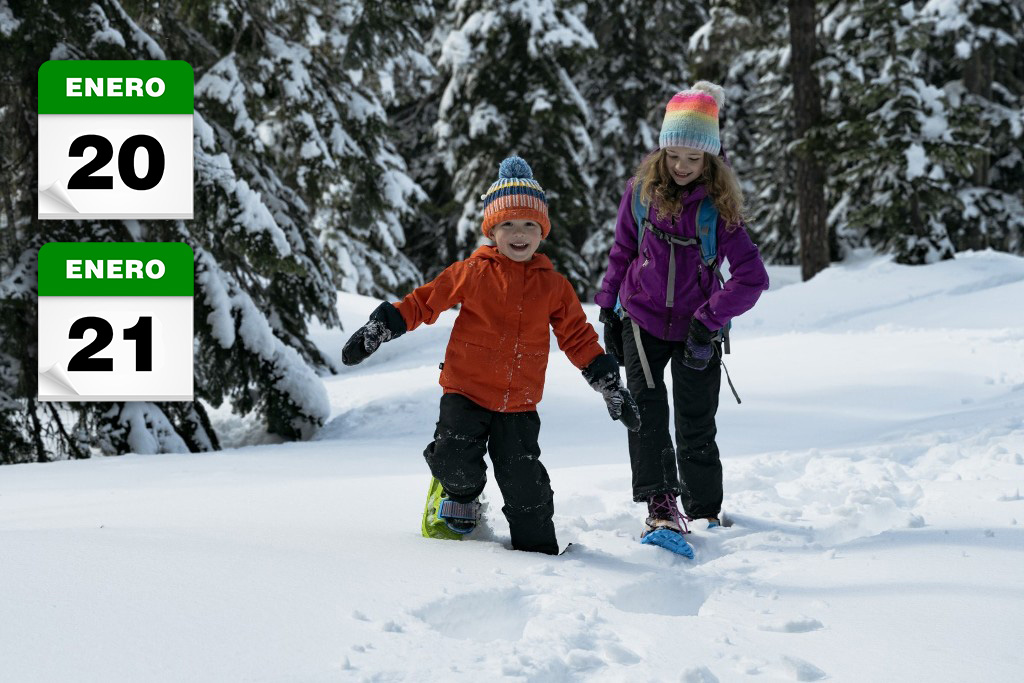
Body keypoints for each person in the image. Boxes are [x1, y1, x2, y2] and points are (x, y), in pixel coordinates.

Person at [342, 156, 640, 555]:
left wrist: (608, 383)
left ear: (542, 232)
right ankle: (459, 496)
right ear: (492, 231)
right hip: (465, 390)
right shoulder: (473, 271)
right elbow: (425, 301)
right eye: (508, 225)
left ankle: (538, 552)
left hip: (519, 403)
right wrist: (382, 326)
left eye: (530, 225)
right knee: (456, 459)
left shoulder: (554, 286)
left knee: (525, 483)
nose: (519, 234)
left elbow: (578, 336)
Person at [595, 81, 769, 557]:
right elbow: (622, 252)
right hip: (641, 319)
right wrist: (607, 308)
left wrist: (709, 319)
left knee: (695, 422)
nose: (682, 166)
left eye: (693, 159)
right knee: (646, 415)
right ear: (662, 149)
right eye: (674, 154)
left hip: (697, 331)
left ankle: (706, 511)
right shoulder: (641, 194)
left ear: (710, 159)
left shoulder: (718, 207)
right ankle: (661, 506)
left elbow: (753, 277)